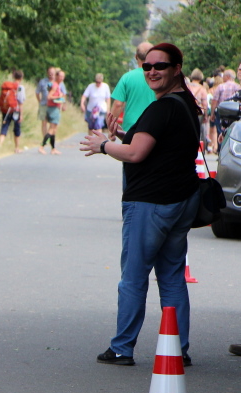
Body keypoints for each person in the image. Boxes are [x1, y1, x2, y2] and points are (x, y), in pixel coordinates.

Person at [80, 43, 201, 367]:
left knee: (134, 277)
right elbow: (155, 145)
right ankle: (178, 348)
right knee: (172, 276)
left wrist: (103, 145)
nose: (152, 71)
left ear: (177, 68)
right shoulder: (186, 104)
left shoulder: (163, 108)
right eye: (147, 66)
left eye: (160, 66)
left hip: (151, 203)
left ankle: (122, 347)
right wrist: (122, 135)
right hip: (180, 200)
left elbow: (136, 153)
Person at [0, 69, 26, 153]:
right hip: (15, 110)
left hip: (6, 109)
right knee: (16, 128)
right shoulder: (20, 88)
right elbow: (20, 101)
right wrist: (21, 114)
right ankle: (17, 148)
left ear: (14, 77)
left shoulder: (8, 87)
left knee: (4, 126)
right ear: (21, 78)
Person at [39, 70, 66, 155]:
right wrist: (58, 96)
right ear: (56, 76)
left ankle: (53, 148)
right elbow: (49, 96)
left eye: (63, 76)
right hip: (53, 109)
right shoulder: (55, 85)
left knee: (54, 130)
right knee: (51, 129)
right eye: (60, 76)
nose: (62, 78)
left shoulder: (57, 85)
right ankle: (42, 146)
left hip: (55, 108)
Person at [209, 67, 241, 139]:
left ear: (227, 76)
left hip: (222, 112)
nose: (222, 78)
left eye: (223, 76)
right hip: (234, 115)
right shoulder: (237, 87)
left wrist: (212, 113)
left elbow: (214, 101)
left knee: (220, 132)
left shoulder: (221, 86)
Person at [187, 69, 208, 147]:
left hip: (188, 110)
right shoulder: (202, 88)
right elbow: (205, 104)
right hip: (199, 112)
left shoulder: (187, 86)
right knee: (198, 131)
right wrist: (206, 115)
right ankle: (197, 147)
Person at [36, 67, 56, 138]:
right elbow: (37, 92)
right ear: (47, 73)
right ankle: (45, 138)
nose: (51, 74)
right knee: (44, 122)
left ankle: (50, 136)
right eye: (50, 72)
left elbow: (63, 93)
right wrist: (39, 101)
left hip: (54, 105)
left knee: (52, 123)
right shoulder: (42, 81)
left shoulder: (57, 82)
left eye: (52, 72)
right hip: (44, 104)